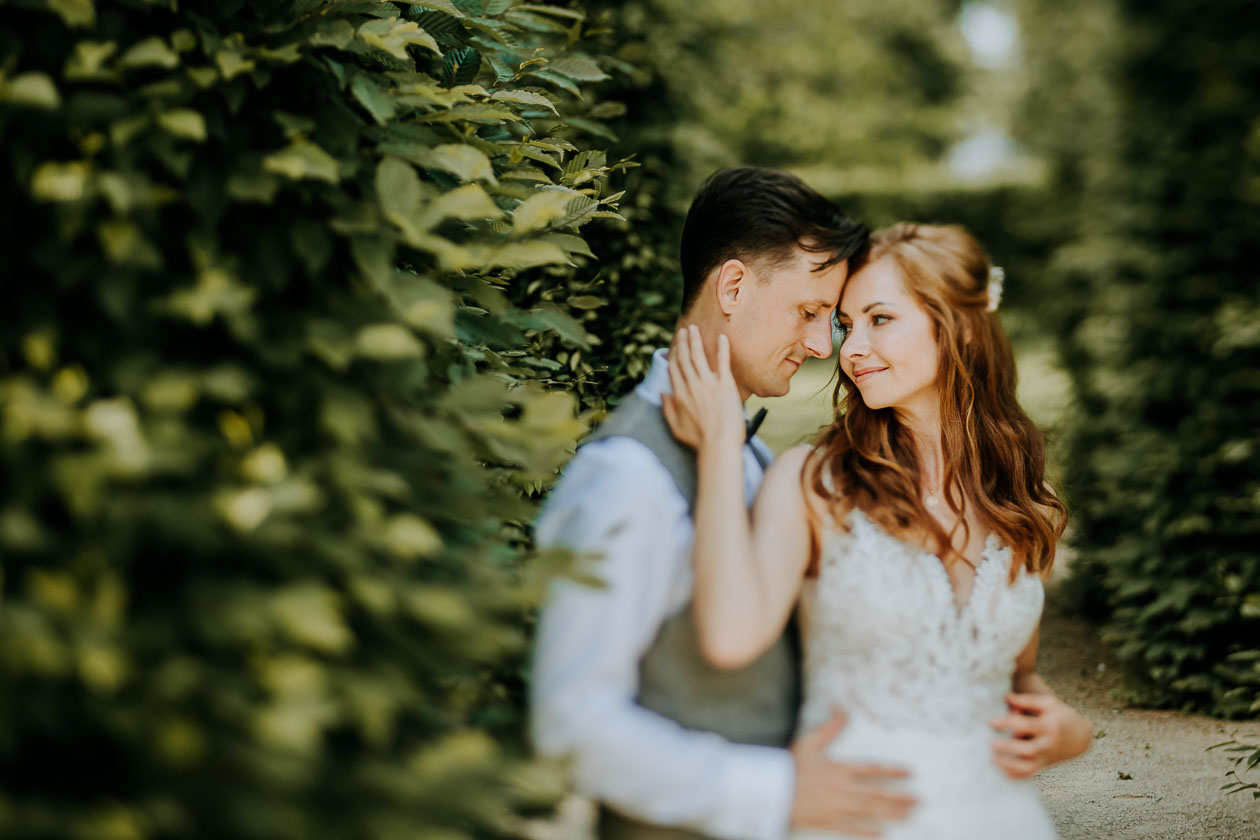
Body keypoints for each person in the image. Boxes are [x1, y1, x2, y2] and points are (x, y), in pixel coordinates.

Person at [661, 222, 1093, 840]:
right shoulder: (813, 484)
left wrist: (1070, 730)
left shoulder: (1022, 505)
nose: (851, 348)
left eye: (880, 319)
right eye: (846, 324)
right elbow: (731, 638)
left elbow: (1012, 675)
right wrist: (720, 452)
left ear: (961, 324)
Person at [530, 167, 918, 840]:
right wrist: (777, 791)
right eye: (809, 312)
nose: (822, 345)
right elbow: (570, 725)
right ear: (733, 287)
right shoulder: (625, 476)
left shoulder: (751, 458)